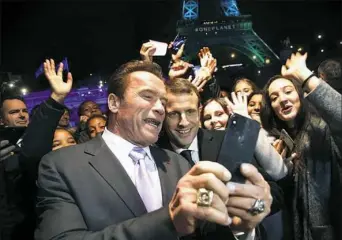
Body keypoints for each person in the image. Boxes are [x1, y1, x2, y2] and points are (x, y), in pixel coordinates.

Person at [35, 60, 272, 239]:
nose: (160, 108)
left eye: (163, 101)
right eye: (147, 97)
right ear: (114, 103)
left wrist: (242, 223)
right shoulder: (62, 166)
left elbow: (207, 228)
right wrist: (169, 220)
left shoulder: (179, 164)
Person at [158, 78, 284, 239]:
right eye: (174, 114)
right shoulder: (154, 154)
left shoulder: (227, 141)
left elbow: (274, 194)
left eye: (190, 111)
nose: (183, 122)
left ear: (199, 110)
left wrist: (253, 210)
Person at [260, 52, 342, 240]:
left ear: (300, 94)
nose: (282, 99)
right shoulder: (279, 142)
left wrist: (306, 77)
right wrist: (280, 168)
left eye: (288, 91)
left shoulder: (324, 129)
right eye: (274, 97)